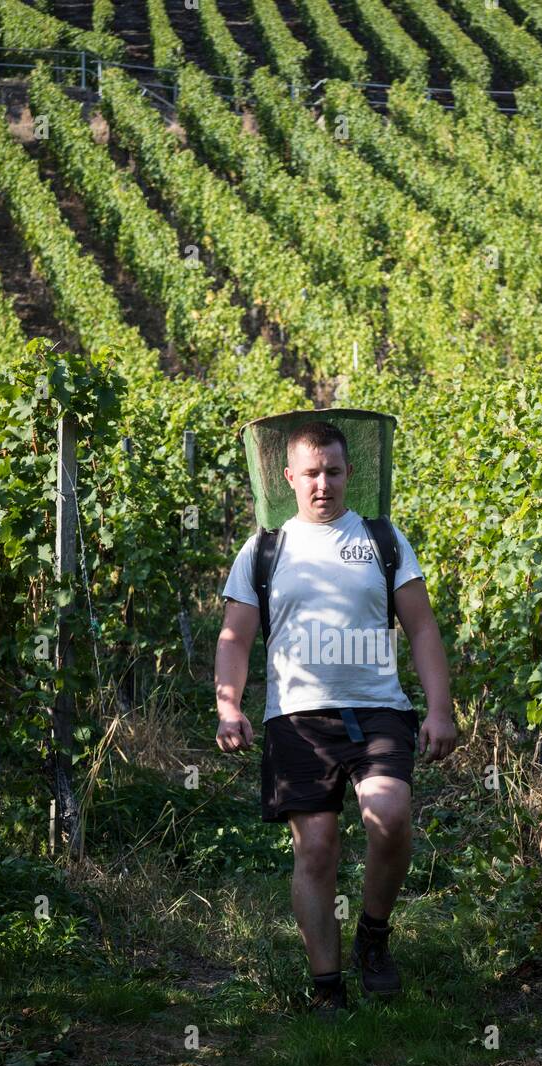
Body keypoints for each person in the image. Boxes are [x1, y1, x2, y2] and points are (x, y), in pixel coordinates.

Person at [214, 420, 457, 1015]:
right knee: (316, 849)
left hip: (379, 710)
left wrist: (440, 708)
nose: (323, 484)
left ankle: (373, 936)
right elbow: (234, 639)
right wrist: (228, 707)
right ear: (290, 478)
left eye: (334, 472)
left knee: (390, 817)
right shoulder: (264, 549)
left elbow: (422, 627)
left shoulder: (382, 539)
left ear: (350, 475)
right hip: (295, 719)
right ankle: (328, 988)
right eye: (312, 473)